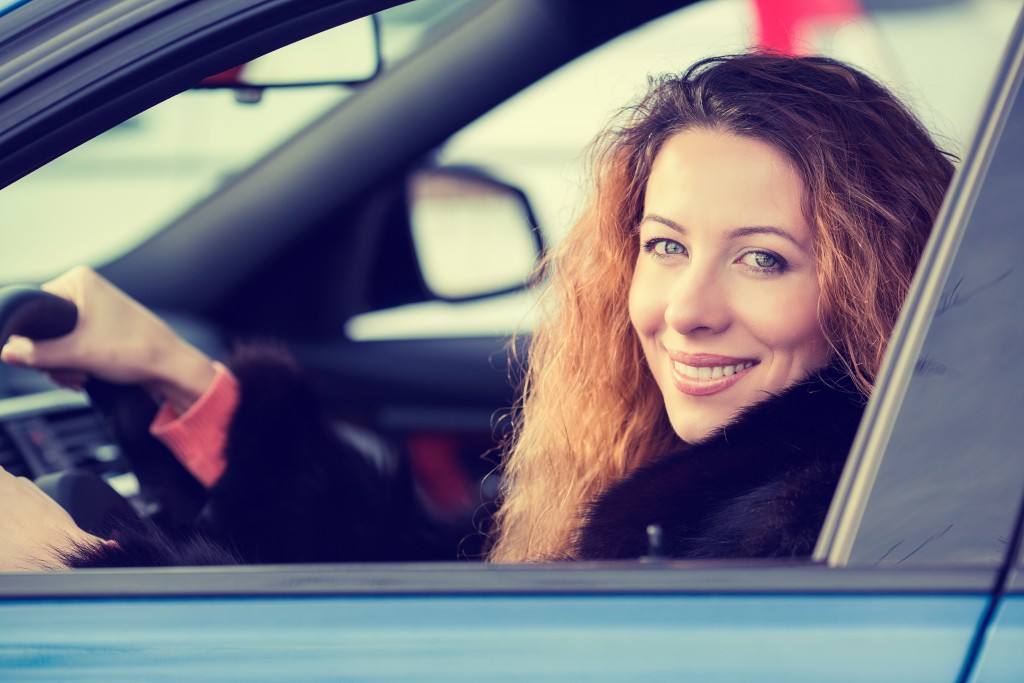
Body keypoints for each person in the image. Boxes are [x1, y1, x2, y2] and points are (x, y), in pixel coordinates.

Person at [0, 53, 954, 570]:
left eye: (763, 258)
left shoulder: (821, 531)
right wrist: (185, 379)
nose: (683, 310)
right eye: (665, 246)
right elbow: (448, 589)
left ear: (875, 286)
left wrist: (71, 563)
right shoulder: (730, 473)